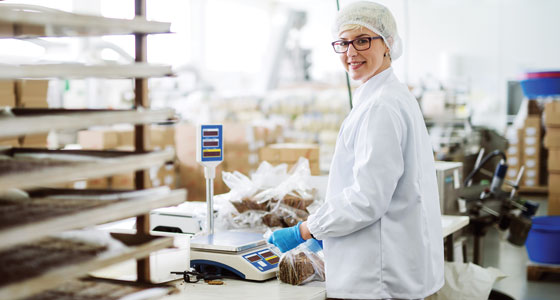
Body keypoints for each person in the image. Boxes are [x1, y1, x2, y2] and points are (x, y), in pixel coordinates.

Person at [267, 1, 444, 299]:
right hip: (391, 269)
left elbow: (366, 199)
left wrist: (308, 229)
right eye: (343, 43)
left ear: (387, 44)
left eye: (362, 40)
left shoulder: (381, 106)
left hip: (380, 278)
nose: (351, 52)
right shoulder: (387, 96)